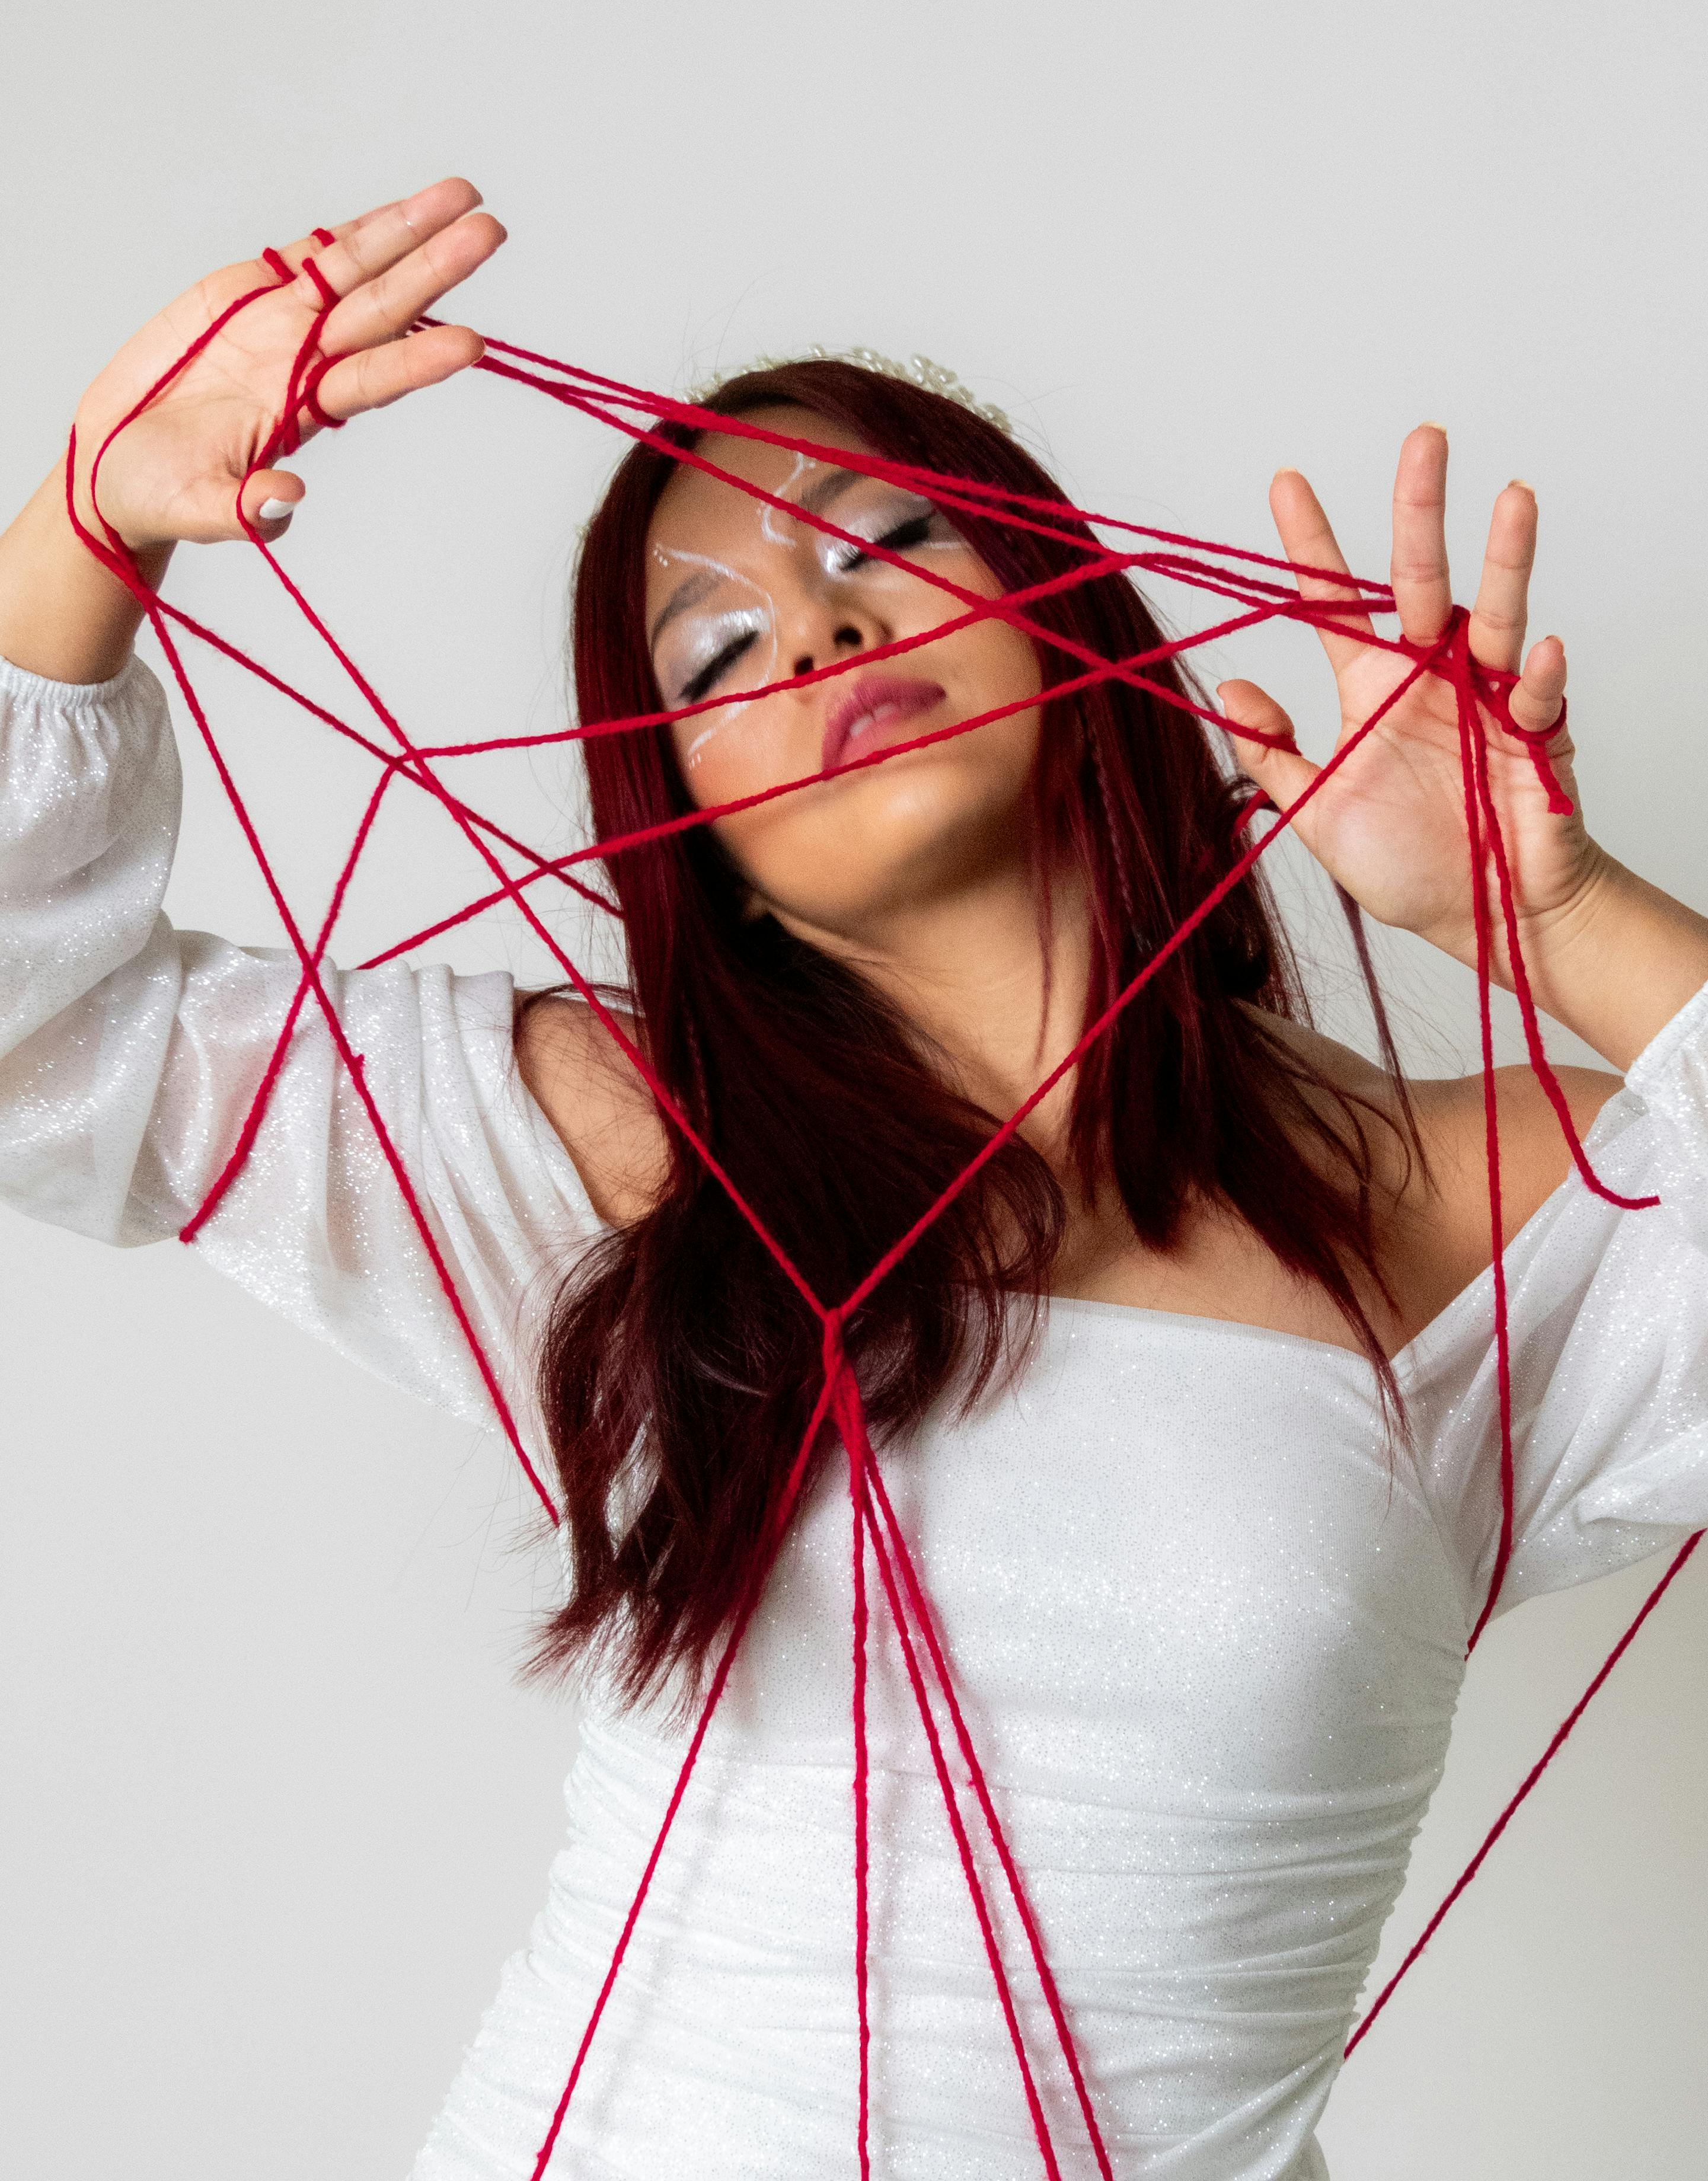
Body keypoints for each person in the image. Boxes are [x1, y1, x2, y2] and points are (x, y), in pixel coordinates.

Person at [2, 175, 1706, 2181]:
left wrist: (1554, 903)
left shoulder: (1458, 1200)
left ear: (1071, 616)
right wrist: (83, 533)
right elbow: (45, 1034)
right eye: (719, 650)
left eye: (896, 548)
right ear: (693, 824)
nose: (819, 623)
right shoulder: (607, 1143)